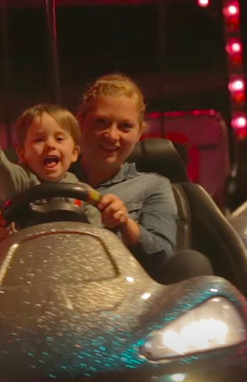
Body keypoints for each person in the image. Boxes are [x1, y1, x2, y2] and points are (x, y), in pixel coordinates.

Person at [74, 73, 212, 282]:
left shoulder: (153, 187)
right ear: (81, 122)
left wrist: (125, 223)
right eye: (101, 122)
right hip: (51, 294)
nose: (112, 135)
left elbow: (164, 257)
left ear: (139, 133)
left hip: (123, 296)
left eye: (125, 126)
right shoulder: (45, 180)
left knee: (192, 262)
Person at [0, 103, 101, 251]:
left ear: (74, 153)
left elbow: (97, 240)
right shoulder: (20, 183)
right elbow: (3, 175)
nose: (50, 145)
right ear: (22, 154)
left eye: (59, 139)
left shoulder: (85, 195)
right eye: (39, 140)